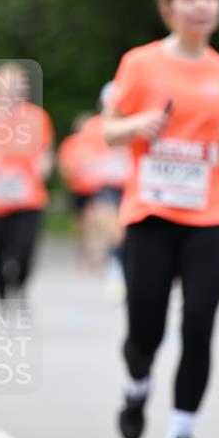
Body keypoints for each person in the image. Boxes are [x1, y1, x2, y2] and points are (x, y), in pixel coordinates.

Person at [103, 0, 219, 438]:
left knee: (200, 325)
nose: (202, 5)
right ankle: (136, 383)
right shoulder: (140, 64)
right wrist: (140, 123)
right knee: (146, 327)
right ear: (168, 8)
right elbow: (110, 131)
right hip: (151, 212)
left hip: (208, 217)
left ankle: (182, 432)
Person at [0, 63, 54, 304]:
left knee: (26, 248)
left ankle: (20, 284)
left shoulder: (37, 117)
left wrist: (43, 165)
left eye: (18, 86)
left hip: (27, 197)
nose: (13, 91)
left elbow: (45, 152)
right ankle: (2, 292)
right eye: (8, 86)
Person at [58, 88, 129, 300]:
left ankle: (124, 268)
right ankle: (116, 269)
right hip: (104, 186)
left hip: (132, 187)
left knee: (129, 233)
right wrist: (99, 164)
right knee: (113, 231)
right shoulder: (93, 126)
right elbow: (82, 157)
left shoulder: (135, 123)